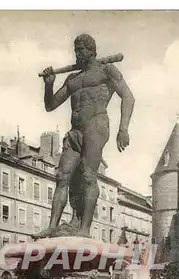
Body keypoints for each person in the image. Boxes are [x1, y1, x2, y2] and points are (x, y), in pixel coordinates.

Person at [33, 34, 135, 239]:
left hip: (96, 125)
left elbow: (128, 97)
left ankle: (84, 230)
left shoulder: (107, 70)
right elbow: (50, 105)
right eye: (75, 50)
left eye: (80, 50)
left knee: (89, 176)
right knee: (62, 176)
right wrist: (48, 84)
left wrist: (123, 129)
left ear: (92, 51)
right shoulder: (73, 78)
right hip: (75, 131)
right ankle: (53, 227)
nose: (77, 54)